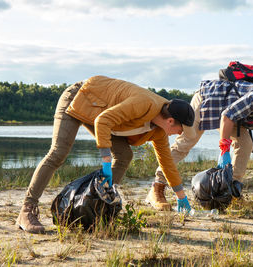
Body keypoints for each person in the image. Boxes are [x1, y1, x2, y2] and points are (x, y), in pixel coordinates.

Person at [16, 75, 195, 234]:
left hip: (102, 114)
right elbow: (103, 120)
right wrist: (106, 161)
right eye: (181, 129)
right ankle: (27, 210)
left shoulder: (159, 131)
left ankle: (100, 209)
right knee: (58, 152)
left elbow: (166, 162)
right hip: (81, 96)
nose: (180, 134)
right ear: (170, 121)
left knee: (124, 156)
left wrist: (181, 197)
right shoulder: (144, 104)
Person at [145, 78, 253, 211]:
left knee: (245, 144)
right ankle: (157, 187)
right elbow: (227, 116)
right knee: (188, 140)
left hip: (233, 115)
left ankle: (232, 193)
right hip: (208, 100)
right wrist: (224, 149)